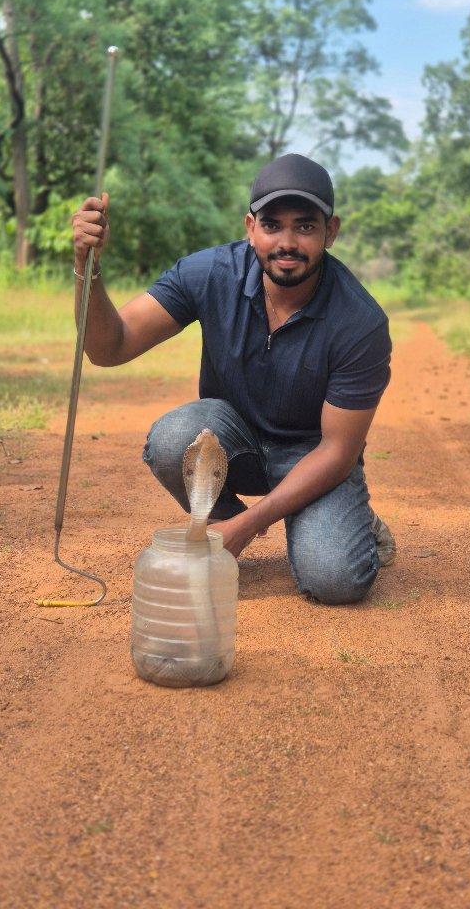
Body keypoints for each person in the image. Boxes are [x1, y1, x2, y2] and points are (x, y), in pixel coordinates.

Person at [71, 153, 395, 606]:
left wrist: (248, 525)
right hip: (233, 442)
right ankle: (238, 524)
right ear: (250, 227)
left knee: (335, 580)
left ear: (331, 231)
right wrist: (88, 267)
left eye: (305, 226)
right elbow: (110, 347)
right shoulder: (208, 274)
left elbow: (339, 451)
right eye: (272, 225)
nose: (287, 242)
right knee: (173, 437)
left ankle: (345, 522)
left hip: (314, 454)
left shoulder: (359, 322)